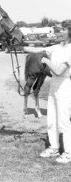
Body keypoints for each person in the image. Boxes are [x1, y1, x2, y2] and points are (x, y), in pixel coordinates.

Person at [23, 25, 71, 163]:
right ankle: (54, 148)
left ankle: (68, 152)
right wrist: (20, 46)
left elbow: (58, 71)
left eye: (63, 30)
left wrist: (46, 61)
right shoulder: (55, 47)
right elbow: (37, 50)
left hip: (65, 85)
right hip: (54, 86)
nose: (59, 31)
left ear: (69, 33)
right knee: (51, 119)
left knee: (63, 121)